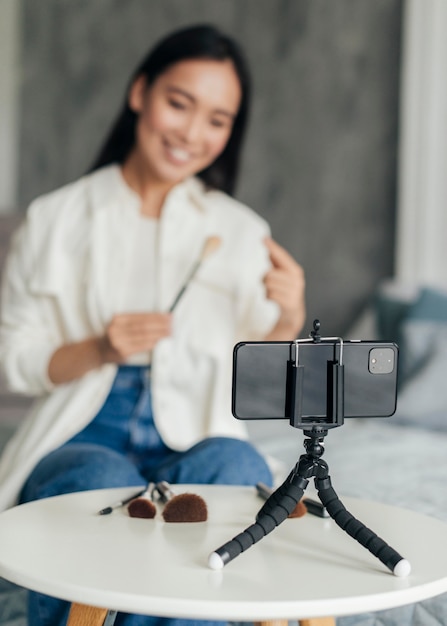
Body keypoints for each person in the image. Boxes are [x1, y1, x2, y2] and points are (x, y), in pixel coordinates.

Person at [0, 23, 306, 626]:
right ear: (140, 92)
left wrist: (290, 318)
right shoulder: (55, 217)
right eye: (178, 103)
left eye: (217, 120)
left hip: (197, 427)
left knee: (237, 471)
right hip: (86, 424)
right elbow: (13, 359)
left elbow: (263, 386)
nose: (192, 133)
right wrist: (99, 346)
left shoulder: (241, 230)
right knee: (97, 483)